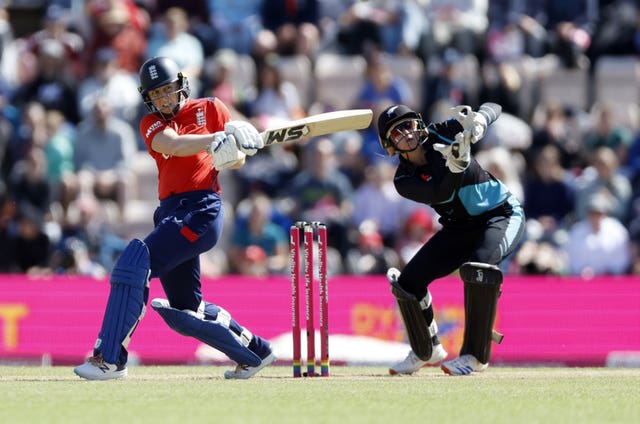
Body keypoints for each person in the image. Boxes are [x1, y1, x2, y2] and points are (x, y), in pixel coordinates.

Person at [73, 56, 275, 380]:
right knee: (186, 311)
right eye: (156, 95)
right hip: (170, 211)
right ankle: (255, 353)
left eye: (168, 91)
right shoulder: (150, 123)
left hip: (201, 208)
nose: (164, 99)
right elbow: (174, 145)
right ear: (147, 99)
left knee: (134, 261)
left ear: (180, 85)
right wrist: (213, 140)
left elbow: (236, 157)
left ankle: (109, 359)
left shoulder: (210, 108)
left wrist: (235, 150)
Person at [376, 102, 524, 376]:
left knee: (479, 269)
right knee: (408, 283)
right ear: (390, 146)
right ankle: (425, 349)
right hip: (459, 228)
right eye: (398, 133)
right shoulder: (404, 179)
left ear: (419, 124)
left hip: (499, 214)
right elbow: (440, 192)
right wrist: (457, 166)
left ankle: (475, 356)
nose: (407, 134)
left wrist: (480, 119)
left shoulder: (441, 132)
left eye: (409, 125)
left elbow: (495, 106)